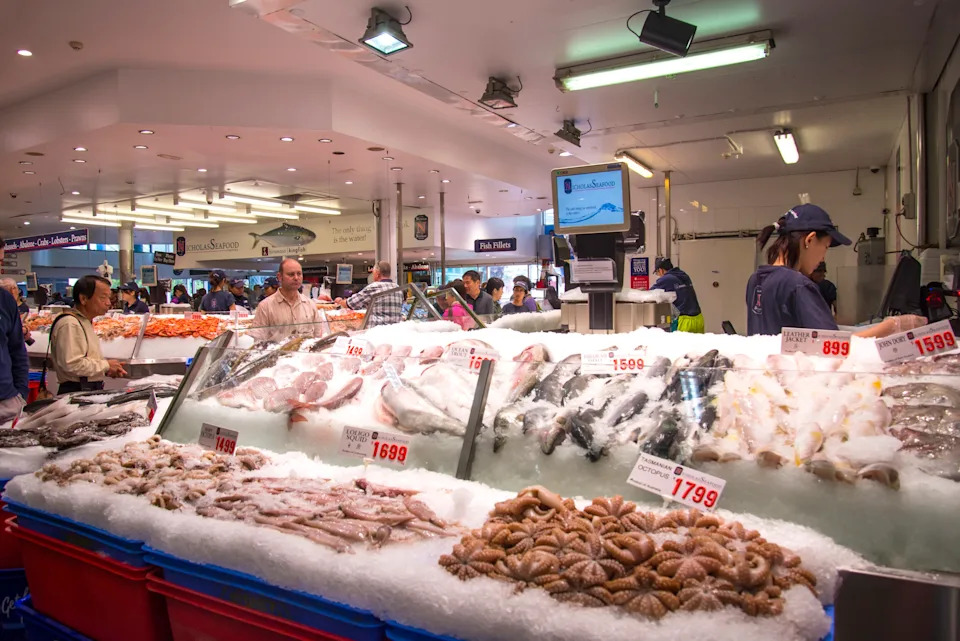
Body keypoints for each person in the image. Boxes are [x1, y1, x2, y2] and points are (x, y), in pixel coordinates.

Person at [748, 204, 925, 337]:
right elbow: (833, 348)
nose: (823, 258)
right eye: (825, 247)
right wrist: (892, 326)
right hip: (799, 382)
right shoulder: (798, 285)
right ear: (809, 240)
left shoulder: (756, 279)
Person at [50, 275, 126, 393]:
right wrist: (106, 365)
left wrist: (106, 369)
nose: (108, 303)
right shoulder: (70, 324)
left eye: (109, 298)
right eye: (103, 297)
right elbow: (72, 364)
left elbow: (85, 359)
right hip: (76, 391)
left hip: (87, 388)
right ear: (83, 299)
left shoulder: (85, 321)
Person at [252, 258, 324, 340]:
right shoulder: (265, 307)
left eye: (299, 274)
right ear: (279, 277)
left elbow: (317, 337)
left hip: (306, 352)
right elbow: (257, 340)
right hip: (278, 352)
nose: (296, 278)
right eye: (291, 274)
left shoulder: (310, 304)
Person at [335, 260, 403, 328]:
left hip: (376, 332)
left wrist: (340, 301)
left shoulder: (374, 287)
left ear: (377, 273)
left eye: (373, 273)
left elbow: (351, 304)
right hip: (395, 330)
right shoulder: (398, 288)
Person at [651, 258, 704, 333]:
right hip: (698, 319)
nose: (659, 275)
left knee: (681, 345)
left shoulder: (666, 279)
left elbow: (650, 294)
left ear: (661, 270)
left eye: (657, 273)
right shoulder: (683, 275)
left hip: (684, 321)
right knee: (698, 344)